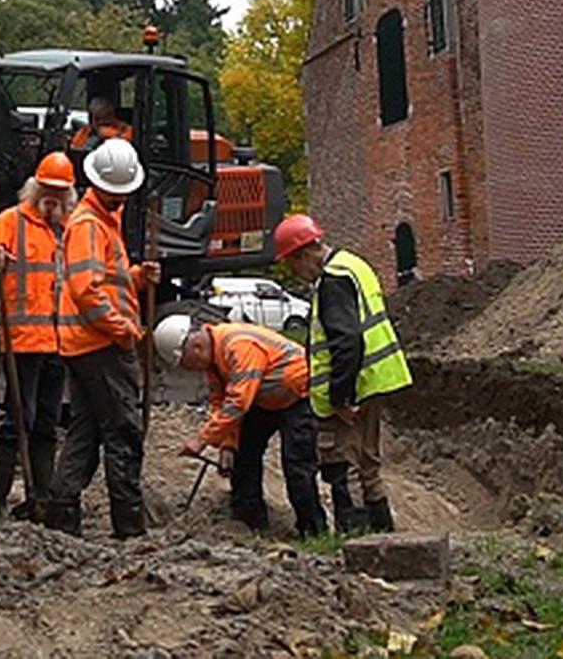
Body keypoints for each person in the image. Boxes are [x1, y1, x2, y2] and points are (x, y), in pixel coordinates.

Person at [40, 137, 160, 538]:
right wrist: (121, 328)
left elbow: (108, 280)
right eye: (116, 192)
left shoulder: (102, 221)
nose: (120, 198)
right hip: (101, 347)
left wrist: (140, 277)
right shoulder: (90, 225)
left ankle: (61, 517)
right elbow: (85, 289)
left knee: (85, 433)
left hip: (86, 347)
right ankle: (129, 527)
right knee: (123, 432)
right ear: (100, 186)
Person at [275, 213, 411, 533]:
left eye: (292, 265)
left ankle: (358, 541)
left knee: (343, 464)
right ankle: (383, 538)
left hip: (353, 388)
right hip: (373, 379)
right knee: (368, 464)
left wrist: (340, 397)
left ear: (303, 253)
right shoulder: (353, 264)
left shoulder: (332, 280)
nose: (296, 274)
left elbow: (346, 341)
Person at [0, 152, 74, 518]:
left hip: (59, 343)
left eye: (60, 191)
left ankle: (40, 499)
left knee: (46, 423)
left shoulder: (70, 229)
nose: (52, 197)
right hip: (24, 342)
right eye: (47, 189)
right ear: (35, 188)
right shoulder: (12, 222)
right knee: (18, 422)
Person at [153, 314, 327, 537]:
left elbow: (238, 403)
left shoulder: (238, 345)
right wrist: (228, 444)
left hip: (296, 395)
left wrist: (202, 440)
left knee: (297, 465)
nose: (191, 371)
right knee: (243, 456)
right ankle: (249, 522)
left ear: (196, 347)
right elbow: (221, 402)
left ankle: (313, 530)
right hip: (264, 397)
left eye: (187, 364)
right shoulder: (214, 362)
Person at [69, 94, 133, 149]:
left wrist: (107, 134)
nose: (101, 122)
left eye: (99, 102)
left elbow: (127, 144)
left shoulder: (124, 129)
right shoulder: (84, 131)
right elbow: (75, 149)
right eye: (97, 119)